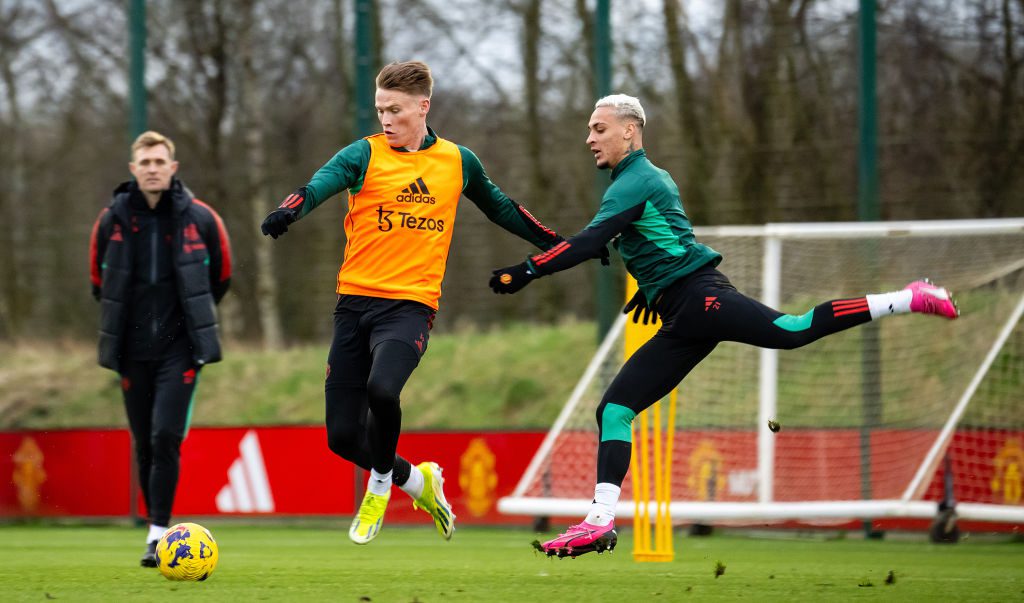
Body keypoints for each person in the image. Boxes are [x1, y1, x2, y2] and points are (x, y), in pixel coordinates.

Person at [489, 94, 960, 558]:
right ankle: (599, 521)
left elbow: (591, 241)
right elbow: (663, 242)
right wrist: (652, 289)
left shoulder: (636, 181)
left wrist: (527, 270)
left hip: (701, 298)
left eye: (599, 128)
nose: (589, 138)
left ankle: (909, 296)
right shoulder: (635, 180)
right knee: (614, 410)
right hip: (682, 311)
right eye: (590, 129)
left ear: (629, 130)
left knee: (792, 331)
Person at [259, 61, 582, 545]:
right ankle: (419, 480)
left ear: (423, 107)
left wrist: (557, 244)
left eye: (395, 110)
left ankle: (382, 485)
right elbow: (320, 183)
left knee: (383, 392)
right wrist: (292, 210)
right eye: (379, 110)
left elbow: (502, 206)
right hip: (353, 305)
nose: (386, 119)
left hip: (409, 306)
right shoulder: (364, 155)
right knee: (342, 437)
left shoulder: (457, 161)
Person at [89, 130, 233, 566]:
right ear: (133, 170)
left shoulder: (201, 218)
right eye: (145, 163)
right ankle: (155, 528)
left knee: (166, 435)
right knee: (144, 443)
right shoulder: (111, 220)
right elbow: (98, 282)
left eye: (160, 162)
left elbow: (221, 277)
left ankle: (157, 534)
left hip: (181, 349)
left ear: (173, 168)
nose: (153, 169)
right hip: (132, 350)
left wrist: (188, 322)